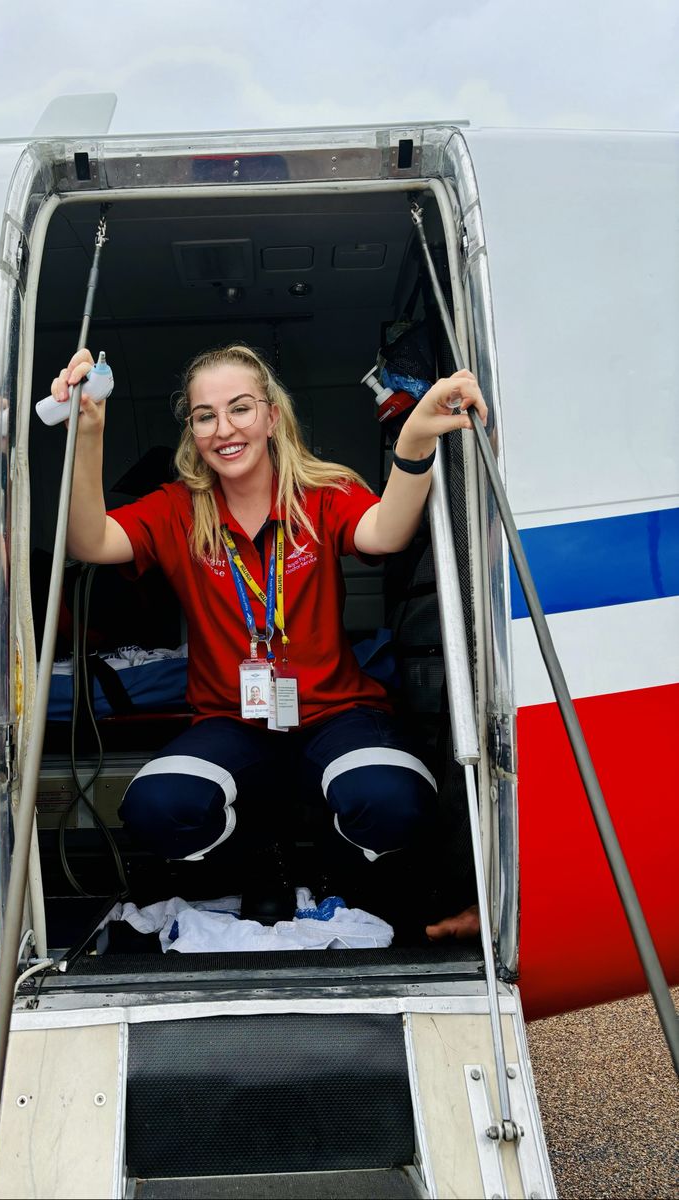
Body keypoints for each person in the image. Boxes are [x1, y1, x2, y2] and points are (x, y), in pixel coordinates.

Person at [54, 343, 485, 936]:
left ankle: (336, 880)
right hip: (231, 724)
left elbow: (385, 532)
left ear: (272, 416)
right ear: (192, 429)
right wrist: (89, 434)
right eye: (205, 416)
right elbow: (89, 542)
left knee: (396, 801)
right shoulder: (179, 509)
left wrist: (412, 443)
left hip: (336, 713)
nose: (224, 429)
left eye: (240, 409)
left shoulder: (321, 491)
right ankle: (262, 865)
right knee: (155, 809)